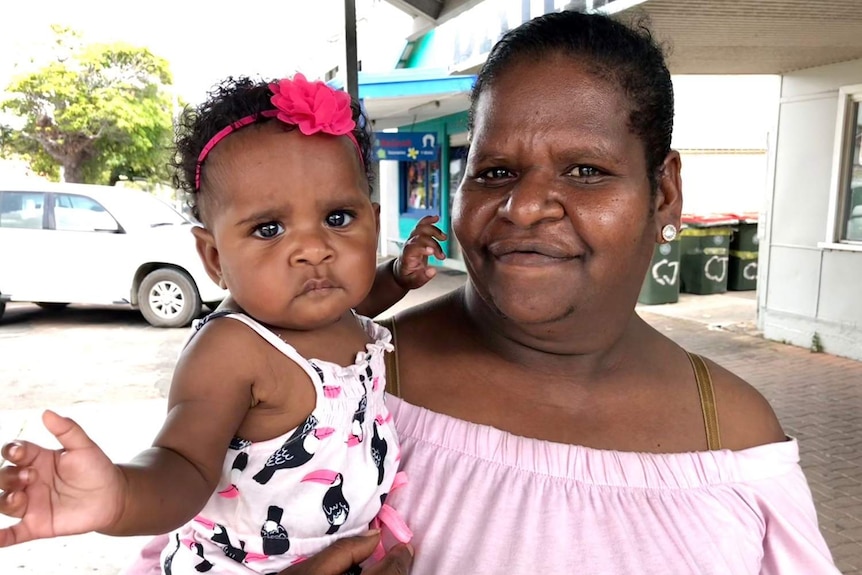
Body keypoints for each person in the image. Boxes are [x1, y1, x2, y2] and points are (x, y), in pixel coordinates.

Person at [1, 10, 840, 575]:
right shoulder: (352, 378)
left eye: (586, 170)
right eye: (495, 171)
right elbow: (188, 486)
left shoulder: (734, 442)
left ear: (664, 194)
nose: (525, 206)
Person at [0, 74, 446, 573]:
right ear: (213, 256)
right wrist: (121, 495)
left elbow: (359, 303)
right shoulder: (232, 349)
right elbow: (182, 463)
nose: (315, 249)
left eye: (338, 219)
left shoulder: (328, 311)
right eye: (269, 228)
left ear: (375, 222)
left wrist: (397, 278)